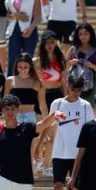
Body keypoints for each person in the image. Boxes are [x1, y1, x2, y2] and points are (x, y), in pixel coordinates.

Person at [47, 76, 92, 190]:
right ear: (67, 85)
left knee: (75, 188)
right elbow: (48, 124)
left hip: (78, 153)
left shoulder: (85, 106)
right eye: (74, 89)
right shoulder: (57, 103)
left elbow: (91, 129)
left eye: (80, 90)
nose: (76, 92)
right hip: (60, 151)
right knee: (58, 184)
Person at [35, 30, 67, 175]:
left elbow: (63, 82)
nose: (49, 45)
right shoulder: (36, 61)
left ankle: (47, 165)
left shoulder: (60, 60)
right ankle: (37, 159)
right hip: (40, 97)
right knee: (38, 132)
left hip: (56, 95)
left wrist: (66, 99)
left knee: (52, 135)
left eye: (52, 42)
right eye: (47, 42)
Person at [5, 0, 43, 76]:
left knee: (27, 60)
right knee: (13, 60)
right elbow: (7, 15)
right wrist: (16, 16)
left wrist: (30, 29)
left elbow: (38, 16)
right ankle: (10, 86)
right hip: (14, 30)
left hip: (29, 30)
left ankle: (27, 86)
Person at [66, 22, 96, 101]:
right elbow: (64, 69)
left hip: (91, 87)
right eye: (80, 34)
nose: (83, 36)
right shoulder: (72, 50)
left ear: (91, 34)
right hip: (73, 86)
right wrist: (71, 63)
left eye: (86, 34)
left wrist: (91, 65)